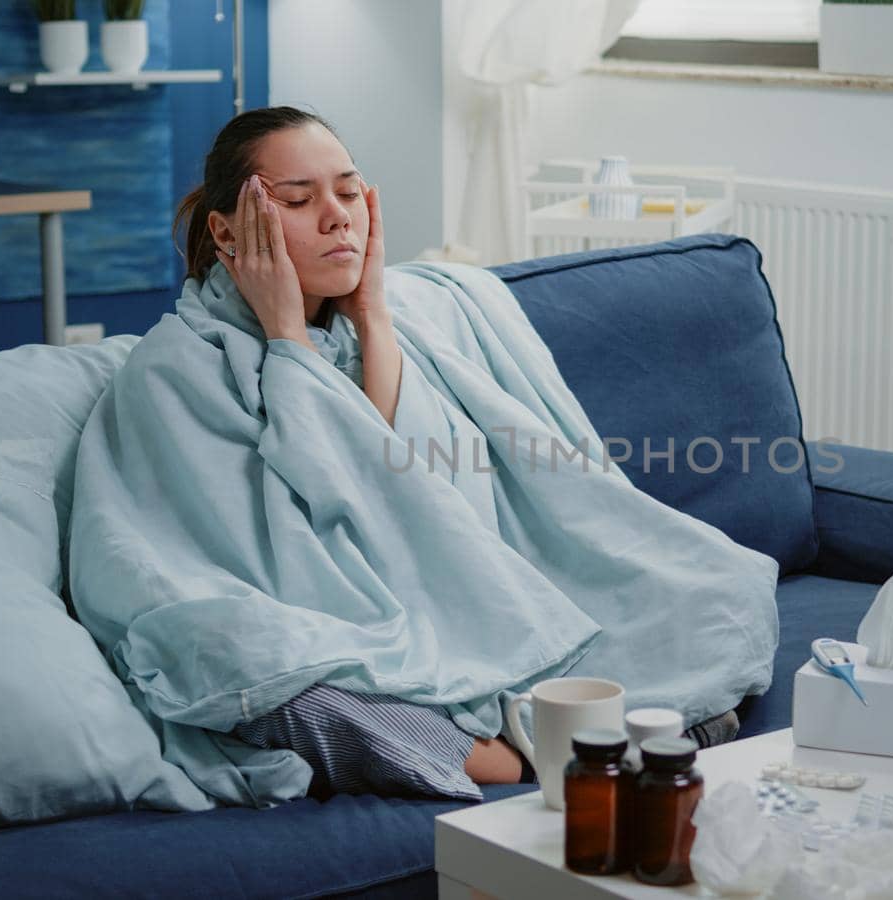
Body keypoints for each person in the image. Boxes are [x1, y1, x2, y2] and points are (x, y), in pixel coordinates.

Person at [169, 106, 738, 802]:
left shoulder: (369, 331)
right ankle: (542, 759)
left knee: (693, 595)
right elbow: (301, 523)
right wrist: (285, 332)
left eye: (348, 193)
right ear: (226, 231)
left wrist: (374, 315)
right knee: (265, 681)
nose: (336, 217)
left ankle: (563, 744)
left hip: (423, 606)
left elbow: (398, 495)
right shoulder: (180, 366)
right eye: (297, 200)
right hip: (318, 621)